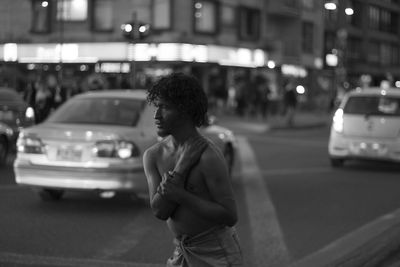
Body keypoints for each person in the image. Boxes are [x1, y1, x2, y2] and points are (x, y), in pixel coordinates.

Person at [143, 72, 243, 267]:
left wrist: (182, 196)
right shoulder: (153, 155)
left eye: (166, 107)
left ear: (185, 110)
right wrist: (181, 168)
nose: (157, 115)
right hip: (182, 251)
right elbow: (159, 211)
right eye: (157, 106)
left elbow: (230, 215)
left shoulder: (208, 156)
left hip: (217, 253)